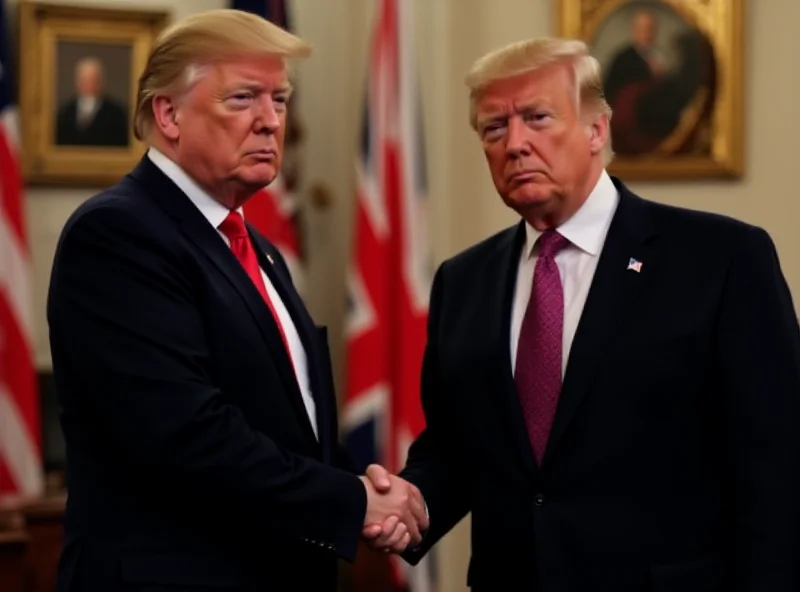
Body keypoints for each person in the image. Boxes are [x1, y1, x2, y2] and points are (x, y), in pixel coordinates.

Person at [363, 37, 800, 590]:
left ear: (597, 130)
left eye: (537, 118)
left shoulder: (721, 259)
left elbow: (777, 467)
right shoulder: (463, 280)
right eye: (494, 128)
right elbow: (456, 447)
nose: (515, 144)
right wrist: (407, 504)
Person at [47, 10, 426, 592]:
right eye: (244, 98)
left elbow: (283, 421)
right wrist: (351, 502)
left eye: (280, 99)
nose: (271, 122)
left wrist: (361, 487)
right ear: (168, 114)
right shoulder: (118, 235)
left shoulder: (258, 249)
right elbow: (185, 436)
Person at [55, 56, 129, 147]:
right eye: (84, 79)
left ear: (101, 82)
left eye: (93, 79)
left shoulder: (116, 113)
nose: (88, 84)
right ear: (77, 82)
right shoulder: (65, 111)